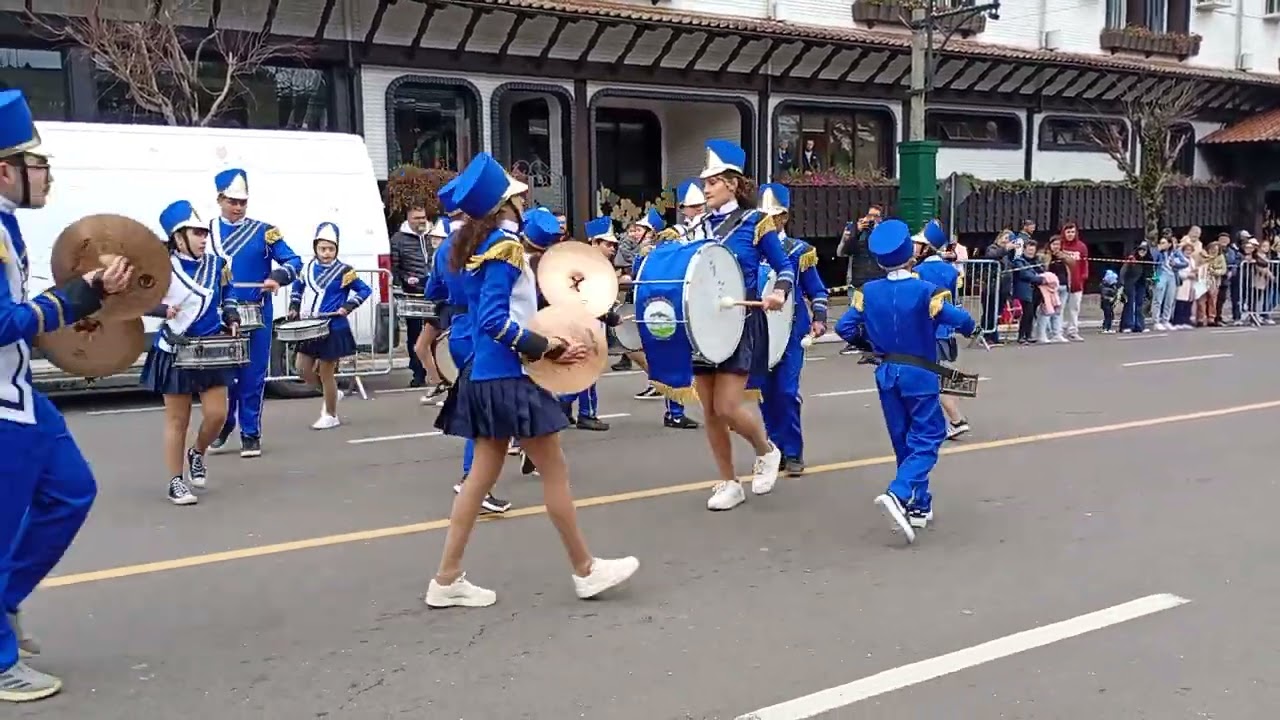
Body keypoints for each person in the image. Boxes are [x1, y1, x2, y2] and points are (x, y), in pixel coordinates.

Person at [426, 152, 638, 608]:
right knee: (553, 471)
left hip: (483, 376)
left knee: (479, 480)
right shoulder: (504, 246)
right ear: (510, 202)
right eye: (519, 193)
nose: (526, 198)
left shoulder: (474, 245)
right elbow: (495, 321)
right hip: (506, 376)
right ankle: (585, 570)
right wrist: (551, 348)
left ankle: (446, 580)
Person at [0, 88, 132, 702]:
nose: (46, 173)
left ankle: (4, 604)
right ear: (4, 168)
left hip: (19, 393)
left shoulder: (6, 225)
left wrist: (87, 296)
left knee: (73, 491)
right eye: (36, 163)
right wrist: (74, 296)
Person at [670, 140, 796, 512]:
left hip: (739, 322)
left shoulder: (756, 223)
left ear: (731, 183)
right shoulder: (695, 227)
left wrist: (779, 294)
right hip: (703, 324)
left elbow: (785, 267)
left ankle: (766, 449)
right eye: (705, 182)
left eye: (711, 182)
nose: (705, 188)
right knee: (709, 409)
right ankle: (728, 481)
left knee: (726, 406)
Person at [835, 219, 978, 544]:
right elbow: (960, 318)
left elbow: (845, 328)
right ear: (909, 256)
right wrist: (972, 328)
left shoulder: (868, 292)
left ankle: (919, 505)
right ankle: (898, 493)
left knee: (903, 439)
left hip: (887, 373)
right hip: (920, 373)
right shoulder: (925, 290)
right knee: (929, 436)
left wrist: (868, 343)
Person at [140, 200, 240, 505]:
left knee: (217, 415)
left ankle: (197, 452)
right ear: (178, 236)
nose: (203, 238)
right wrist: (160, 309)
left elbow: (228, 295)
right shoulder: (161, 266)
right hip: (175, 348)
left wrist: (233, 316)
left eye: (203, 233)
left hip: (210, 347)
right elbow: (137, 300)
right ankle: (175, 481)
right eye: (196, 233)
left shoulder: (217, 265)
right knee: (177, 420)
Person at [207, 168, 303, 458]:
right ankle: (224, 423)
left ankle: (250, 432)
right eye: (232, 201)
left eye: (242, 202)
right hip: (221, 315)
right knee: (225, 377)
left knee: (252, 375)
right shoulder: (206, 231)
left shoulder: (264, 231)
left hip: (257, 312)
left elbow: (293, 260)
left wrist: (277, 276)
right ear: (220, 199)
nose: (237, 207)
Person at [429, 180, 511, 513]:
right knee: (486, 413)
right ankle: (471, 481)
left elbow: (434, 291)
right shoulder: (488, 241)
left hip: (459, 330)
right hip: (484, 332)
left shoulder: (442, 248)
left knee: (488, 409)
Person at [755, 183, 827, 475]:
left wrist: (819, 317)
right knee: (764, 394)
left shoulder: (799, 251)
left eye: (772, 217)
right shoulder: (750, 250)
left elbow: (816, 290)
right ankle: (774, 449)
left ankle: (793, 450)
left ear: (783, 218)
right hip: (758, 333)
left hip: (791, 333)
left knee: (786, 391)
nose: (766, 223)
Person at [286, 222, 373, 430]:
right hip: (311, 325)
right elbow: (297, 287)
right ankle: (332, 393)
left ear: (337, 249)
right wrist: (293, 306)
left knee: (326, 372)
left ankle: (331, 414)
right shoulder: (306, 268)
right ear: (315, 248)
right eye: (322, 248)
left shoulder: (344, 271)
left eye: (331, 249)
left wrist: (348, 306)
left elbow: (364, 290)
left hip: (334, 326)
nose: (326, 253)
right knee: (302, 369)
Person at [911, 220, 971, 440]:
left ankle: (956, 420)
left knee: (928, 379)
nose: (914, 247)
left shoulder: (918, 271)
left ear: (927, 248)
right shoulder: (950, 271)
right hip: (945, 331)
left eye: (918, 244)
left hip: (926, 333)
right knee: (935, 375)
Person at [389, 203, 433, 388]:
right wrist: (405, 280)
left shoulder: (434, 234)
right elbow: (394, 266)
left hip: (434, 292)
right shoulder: (398, 239)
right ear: (408, 218)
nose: (421, 221)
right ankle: (418, 372)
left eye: (423, 217)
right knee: (415, 334)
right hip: (412, 293)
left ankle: (438, 371)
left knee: (436, 333)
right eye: (416, 218)